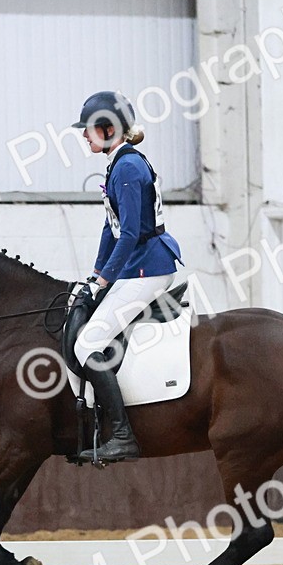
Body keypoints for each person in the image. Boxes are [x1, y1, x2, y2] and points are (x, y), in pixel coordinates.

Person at [71, 90, 183, 462]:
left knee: (87, 344)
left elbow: (131, 233)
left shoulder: (129, 168)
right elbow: (111, 227)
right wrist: (96, 273)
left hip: (147, 268)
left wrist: (105, 281)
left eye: (88, 130)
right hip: (135, 265)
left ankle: (121, 434)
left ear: (107, 128)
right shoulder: (117, 164)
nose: (84, 136)